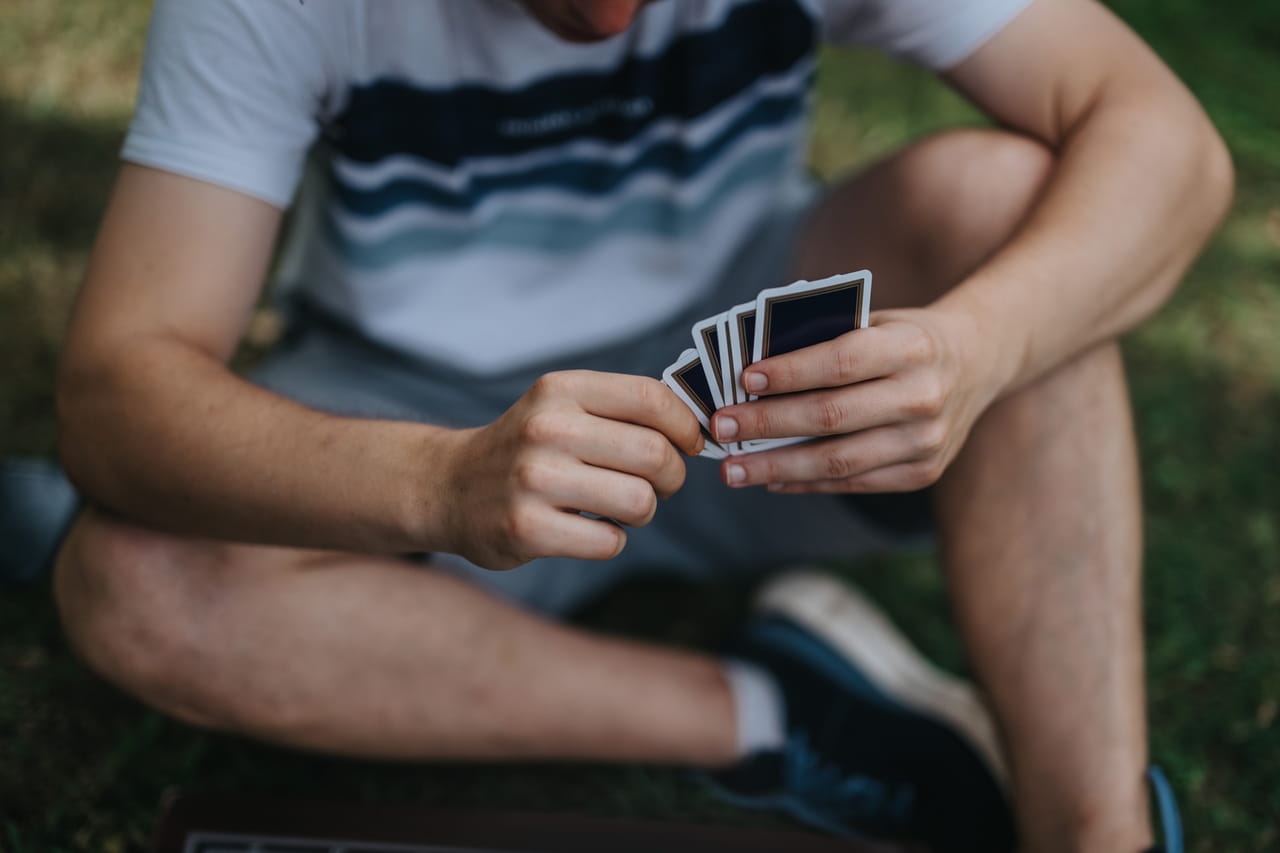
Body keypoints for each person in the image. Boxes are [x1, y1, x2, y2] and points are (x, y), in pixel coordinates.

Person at [50, 0, 1230, 849]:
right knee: (137, 578)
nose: (616, 13)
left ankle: (1096, 830)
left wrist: (981, 347)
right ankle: (778, 715)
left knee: (1014, 217)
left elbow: (1163, 142)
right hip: (415, 403)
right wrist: (441, 482)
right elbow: (116, 388)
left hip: (755, 398)